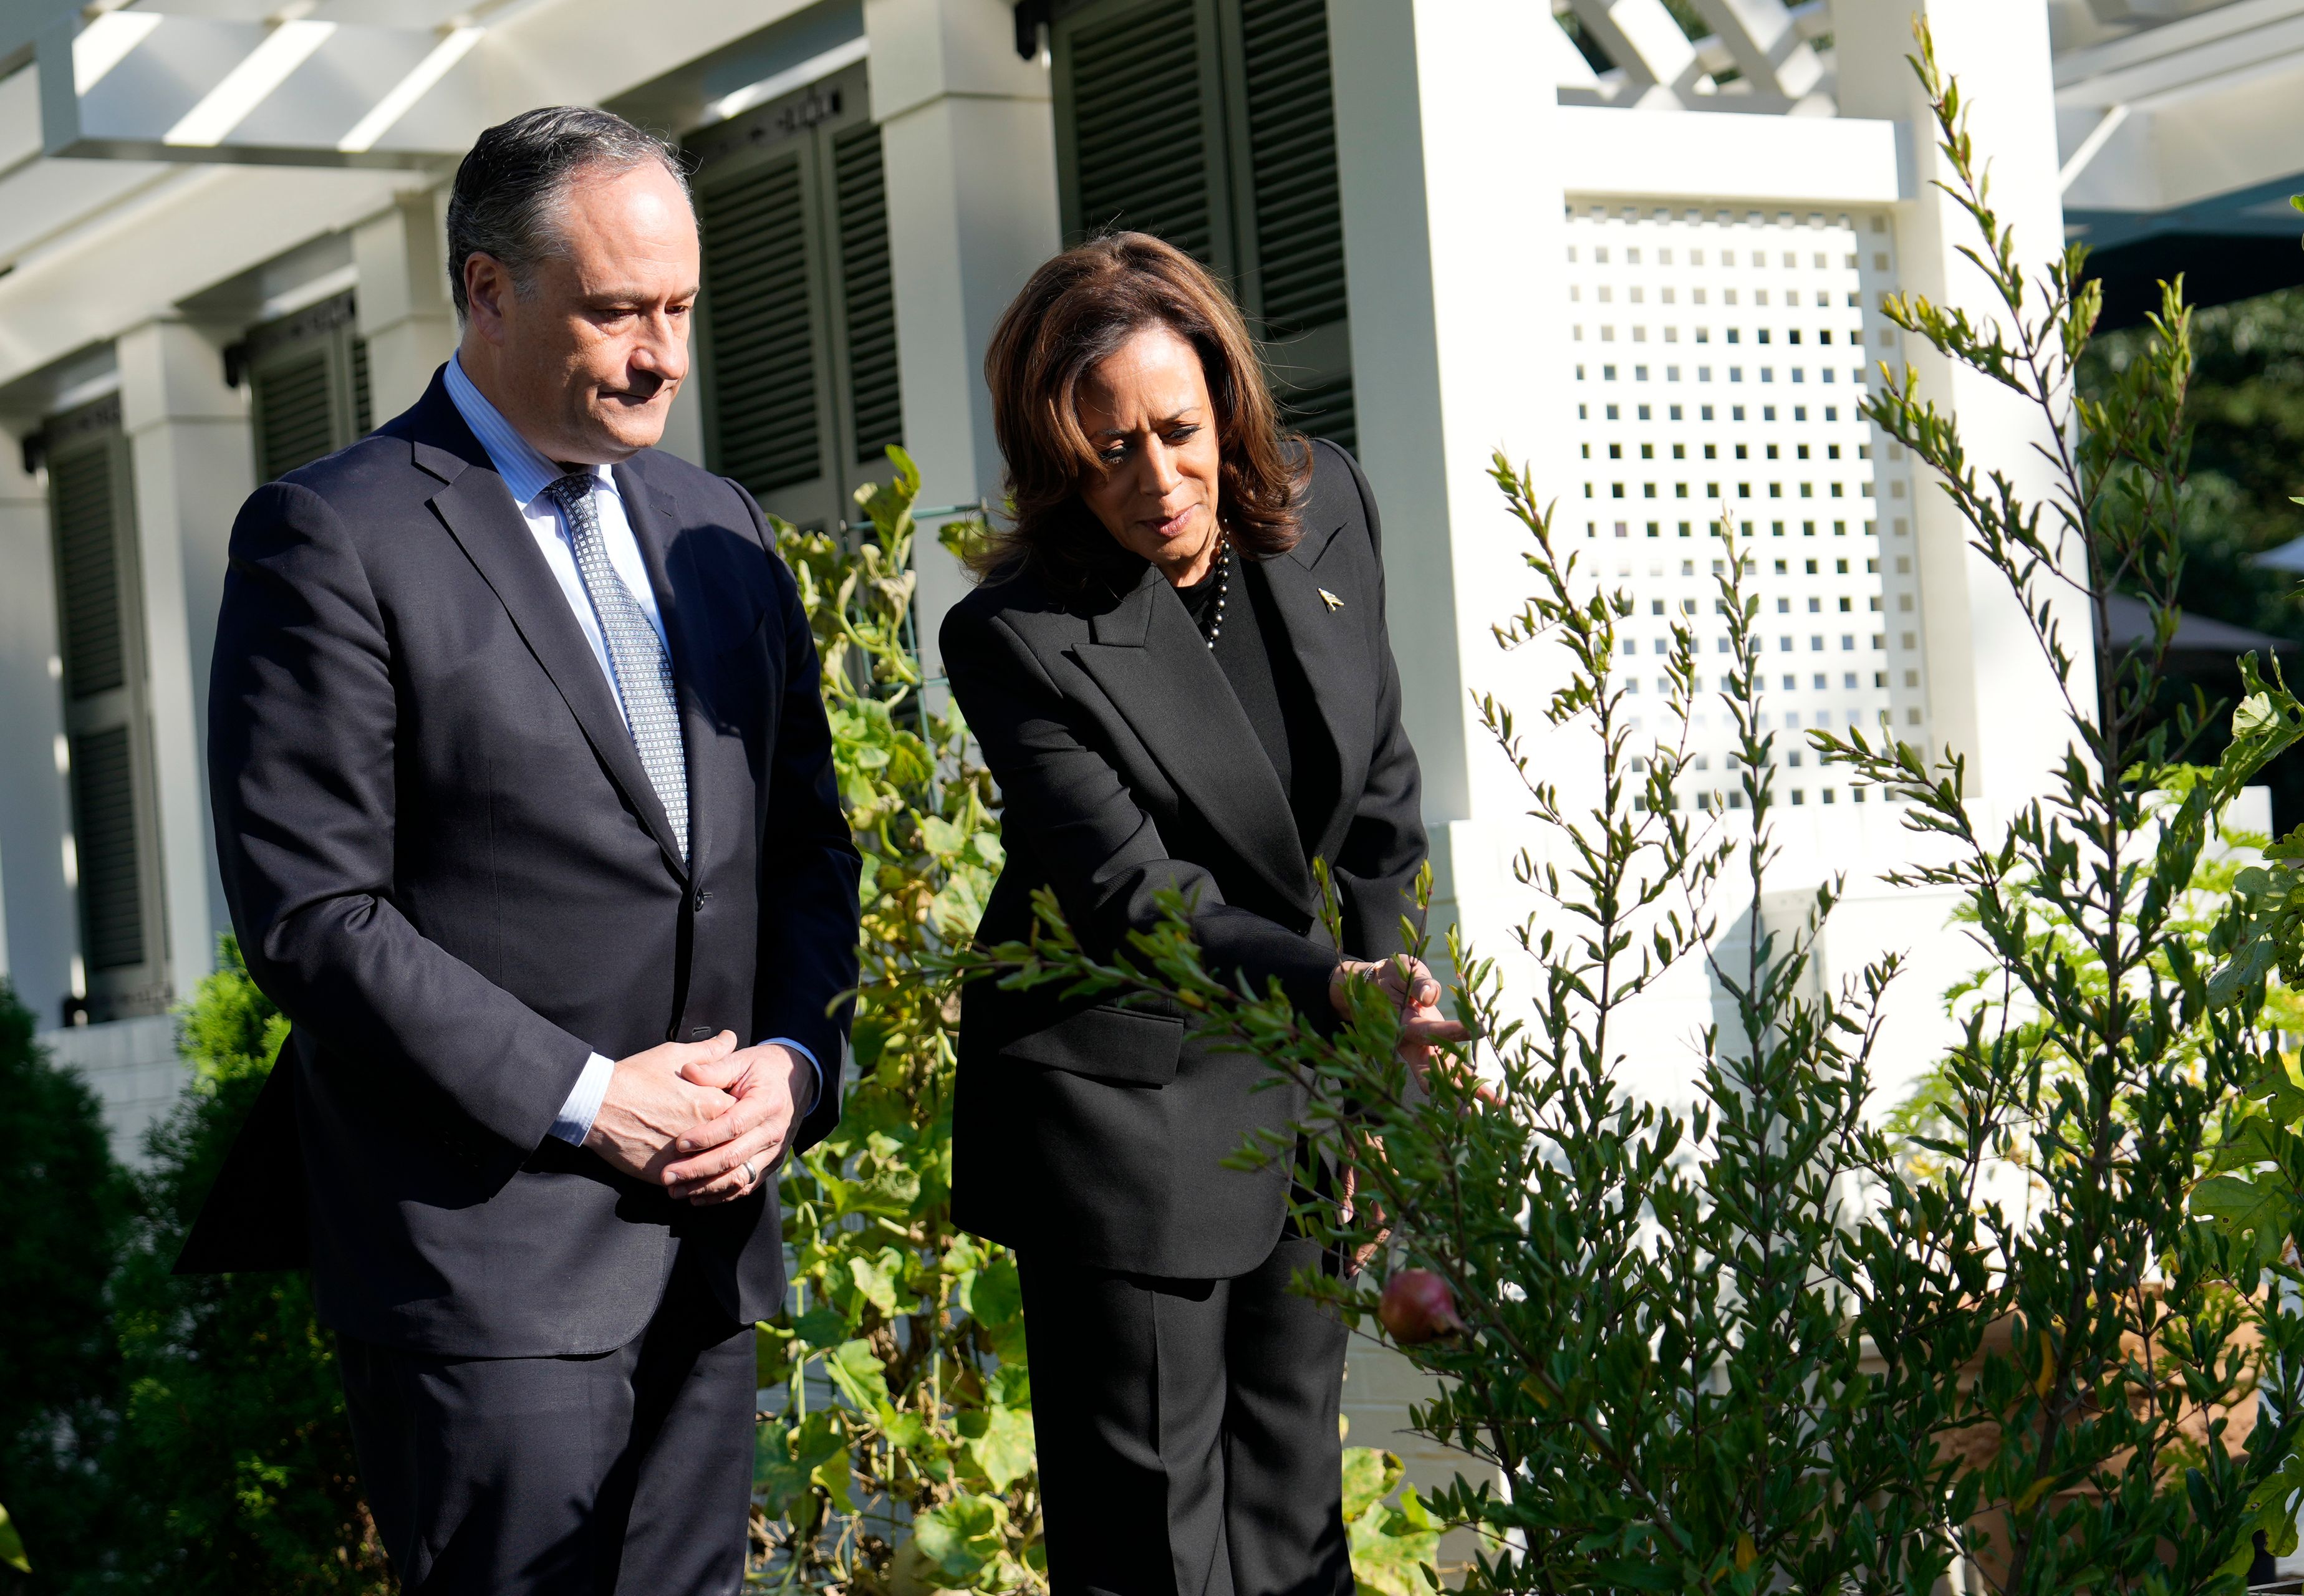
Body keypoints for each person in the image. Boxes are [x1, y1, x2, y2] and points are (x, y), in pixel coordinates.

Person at [185, 106, 861, 1594]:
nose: (663, 354)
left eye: (681, 308)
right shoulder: (329, 536)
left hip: (711, 1246)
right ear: (488, 290)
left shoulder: (723, 528)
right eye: (619, 309)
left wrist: (798, 1070)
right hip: (481, 1265)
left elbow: (809, 849)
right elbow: (317, 913)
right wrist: (586, 1097)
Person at [940, 232, 1462, 1596]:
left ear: (1226, 401)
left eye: (1178, 431)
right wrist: (1335, 990)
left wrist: (1377, 1052)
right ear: (1057, 455)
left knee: (1296, 1527)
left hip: (1305, 1077)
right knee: (1156, 1547)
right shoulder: (1017, 634)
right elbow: (1131, 897)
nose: (1158, 479)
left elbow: (1381, 799)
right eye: (1108, 450)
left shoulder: (1326, 498)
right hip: (1128, 1110)